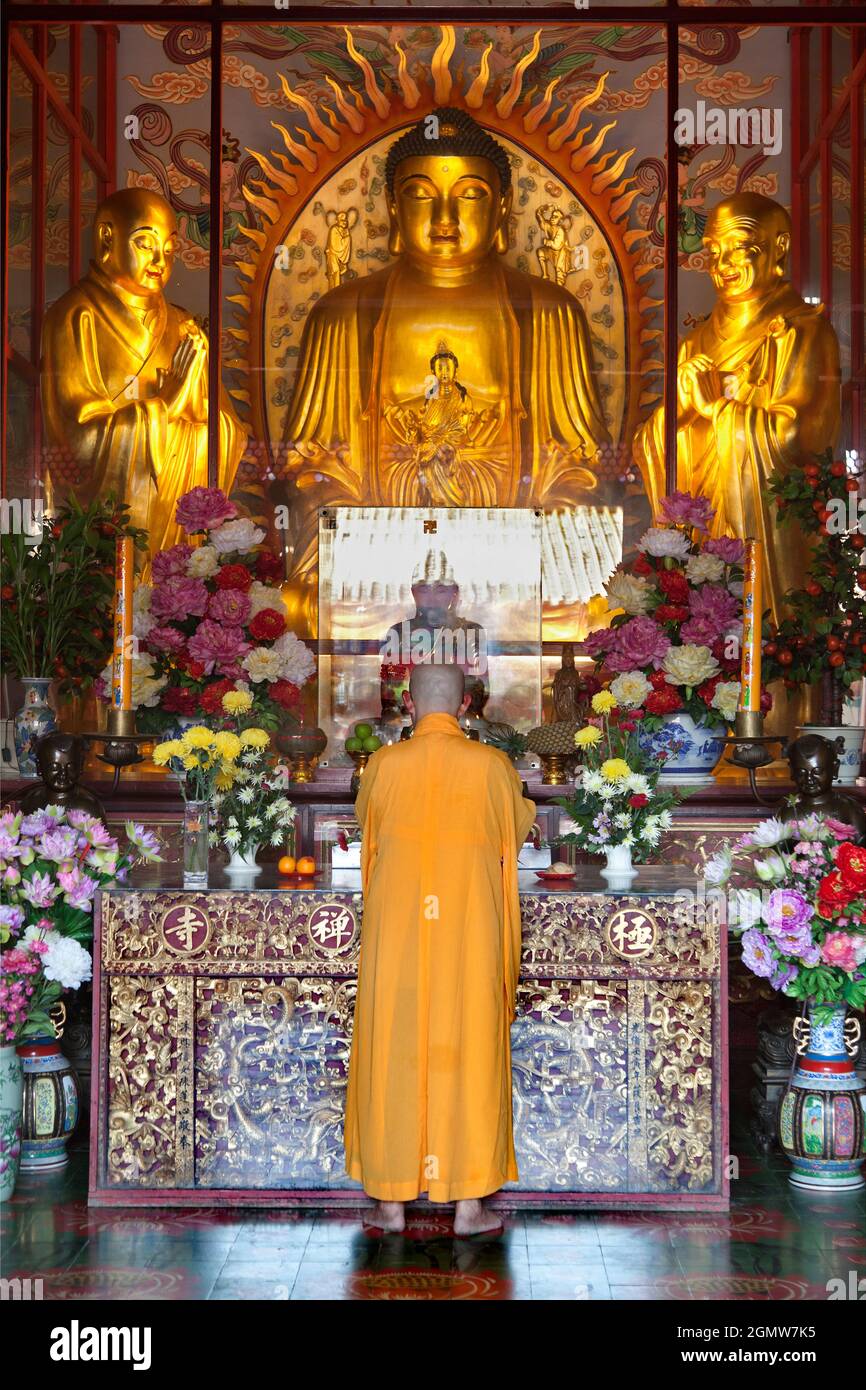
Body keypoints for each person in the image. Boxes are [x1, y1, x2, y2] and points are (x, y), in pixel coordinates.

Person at [345, 662, 536, 1233]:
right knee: (467, 1048)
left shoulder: (383, 765)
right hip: (468, 932)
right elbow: (517, 828)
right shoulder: (492, 766)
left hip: (398, 934)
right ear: (463, 707)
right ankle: (469, 1206)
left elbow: (368, 828)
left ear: (408, 706)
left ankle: (391, 1202)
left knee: (394, 1045)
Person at [41, 188, 246, 558]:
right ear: (107, 238)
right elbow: (78, 439)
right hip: (109, 538)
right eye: (145, 244)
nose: (159, 260)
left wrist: (193, 413)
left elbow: (227, 432)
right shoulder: (76, 315)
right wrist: (166, 404)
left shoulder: (182, 326)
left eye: (168, 250)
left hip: (172, 526)